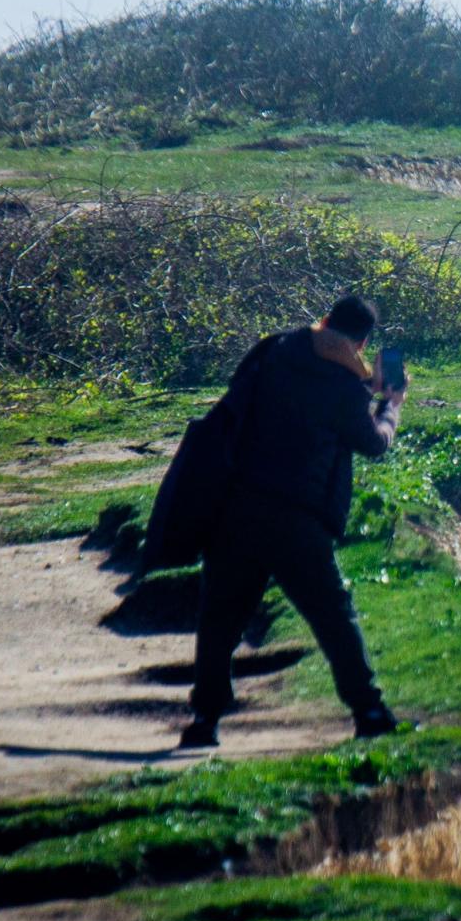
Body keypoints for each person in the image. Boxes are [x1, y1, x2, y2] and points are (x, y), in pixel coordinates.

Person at [177, 295, 406, 748]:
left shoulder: (274, 351)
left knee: (221, 618)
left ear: (323, 320)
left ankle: (204, 722)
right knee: (332, 617)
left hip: (236, 507)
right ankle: (370, 711)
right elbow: (374, 443)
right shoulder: (345, 387)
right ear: (362, 343)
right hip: (297, 519)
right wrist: (390, 403)